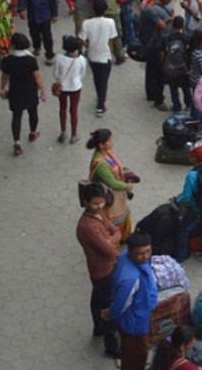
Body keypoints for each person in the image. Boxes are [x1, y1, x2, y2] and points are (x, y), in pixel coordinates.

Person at [76, 181, 122, 359]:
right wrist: (112, 241)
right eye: (96, 203)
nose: (100, 205)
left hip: (99, 269)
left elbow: (115, 230)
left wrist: (112, 239)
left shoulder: (98, 215)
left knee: (98, 300)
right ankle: (111, 346)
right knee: (108, 306)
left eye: (101, 202)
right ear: (86, 202)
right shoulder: (88, 226)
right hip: (104, 271)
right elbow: (110, 249)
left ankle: (98, 328)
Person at [103, 232, 157, 370]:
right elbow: (121, 304)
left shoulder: (125, 257)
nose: (145, 256)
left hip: (140, 312)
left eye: (148, 251)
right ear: (131, 252)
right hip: (134, 323)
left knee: (134, 353)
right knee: (137, 355)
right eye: (140, 253)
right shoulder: (130, 279)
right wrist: (111, 314)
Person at [0, 33, 46, 155]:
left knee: (16, 116)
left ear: (13, 45)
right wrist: (43, 91)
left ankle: (17, 142)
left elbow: (4, 76)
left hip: (15, 91)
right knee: (33, 112)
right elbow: (37, 76)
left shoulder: (7, 60)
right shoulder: (30, 60)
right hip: (30, 91)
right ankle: (33, 132)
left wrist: (3, 89)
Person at [88, 129, 135, 242]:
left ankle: (124, 237)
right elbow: (112, 183)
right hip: (109, 197)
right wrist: (127, 186)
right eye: (109, 141)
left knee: (123, 214)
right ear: (101, 145)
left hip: (117, 194)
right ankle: (115, 241)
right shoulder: (100, 164)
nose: (112, 142)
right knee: (114, 221)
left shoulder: (107, 153)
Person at [174, 144, 202, 264]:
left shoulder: (191, 175)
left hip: (195, 209)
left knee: (183, 231)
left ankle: (180, 260)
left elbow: (186, 197)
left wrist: (176, 202)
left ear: (192, 158)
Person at [140, 0, 176, 112]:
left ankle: (150, 93)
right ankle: (158, 100)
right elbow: (161, 25)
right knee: (160, 72)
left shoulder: (144, 9)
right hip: (156, 44)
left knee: (150, 70)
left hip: (148, 43)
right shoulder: (151, 11)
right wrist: (168, 20)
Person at [18, 0, 59, 64]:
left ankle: (49, 54)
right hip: (32, 15)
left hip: (45, 16)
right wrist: (21, 9)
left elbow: (53, 1)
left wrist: (54, 14)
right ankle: (37, 47)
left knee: (47, 36)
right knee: (34, 33)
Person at [52, 35, 87, 144]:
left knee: (62, 109)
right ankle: (74, 134)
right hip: (76, 87)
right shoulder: (81, 59)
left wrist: (60, 80)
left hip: (62, 87)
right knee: (74, 110)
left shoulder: (59, 58)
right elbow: (82, 74)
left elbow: (56, 73)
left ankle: (63, 132)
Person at [163, 16, 191, 114]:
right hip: (183, 67)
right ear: (183, 26)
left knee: (173, 88)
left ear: (172, 25)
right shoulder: (185, 38)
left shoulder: (167, 37)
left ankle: (176, 106)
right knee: (186, 87)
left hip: (171, 68)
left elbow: (163, 53)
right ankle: (188, 104)